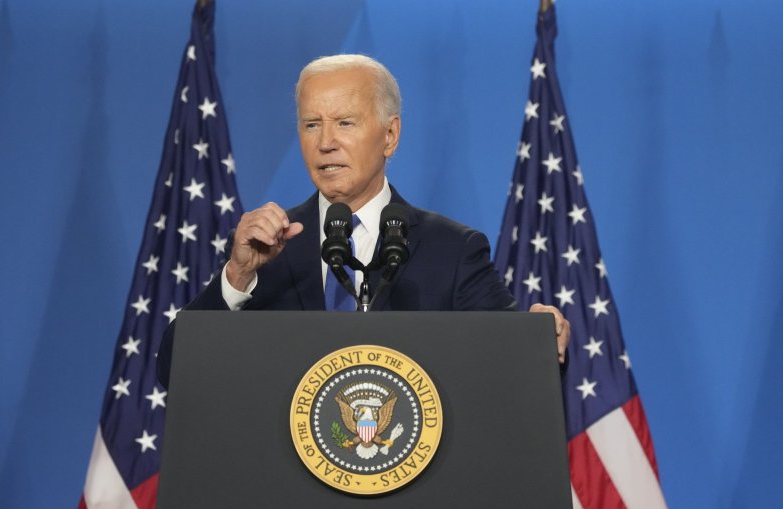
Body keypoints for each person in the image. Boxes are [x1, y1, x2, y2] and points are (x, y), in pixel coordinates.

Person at [157, 54, 570, 388]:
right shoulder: (266, 250)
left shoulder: (453, 250)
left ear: (390, 136)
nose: (325, 143)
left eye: (345, 123)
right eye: (311, 124)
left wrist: (541, 340)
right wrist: (236, 278)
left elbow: (520, 373)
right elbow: (176, 371)